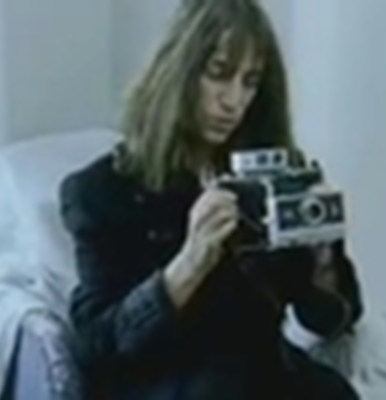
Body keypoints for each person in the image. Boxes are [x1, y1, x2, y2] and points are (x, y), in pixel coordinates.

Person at [59, 0, 363, 398]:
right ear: (180, 71)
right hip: (167, 381)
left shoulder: (274, 178)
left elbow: (330, 320)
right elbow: (98, 347)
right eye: (218, 73)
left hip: (261, 373)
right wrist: (188, 265)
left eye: (250, 82)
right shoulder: (102, 191)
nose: (233, 100)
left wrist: (323, 262)